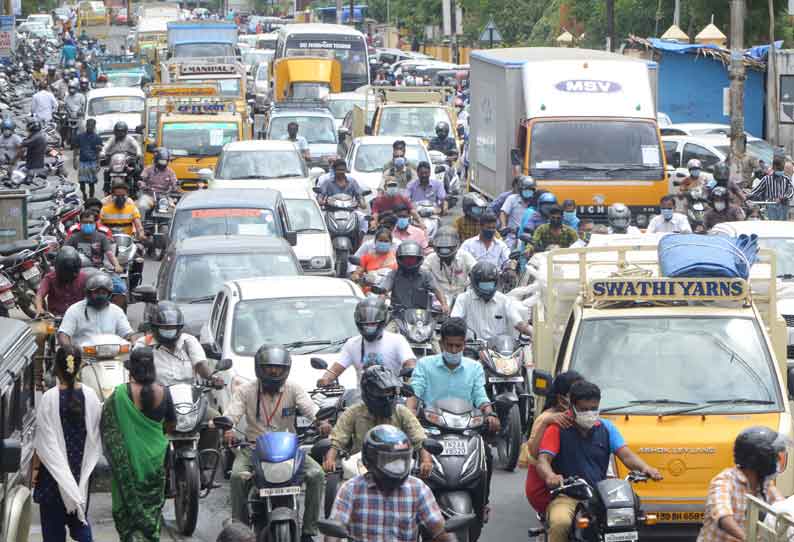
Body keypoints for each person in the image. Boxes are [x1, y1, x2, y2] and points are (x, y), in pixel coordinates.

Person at [407, 317, 500, 538]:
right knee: (410, 464)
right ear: (441, 343)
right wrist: (408, 416)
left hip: (466, 432)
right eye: (449, 345)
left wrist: (490, 413)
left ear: (464, 344)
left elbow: (480, 395)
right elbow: (414, 394)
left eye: (458, 346)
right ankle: (410, 511)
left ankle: (482, 504)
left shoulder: (474, 367)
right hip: (431, 431)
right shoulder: (425, 365)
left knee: (486, 455)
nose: (453, 349)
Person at [536, 381, 662, 542]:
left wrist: (646, 468)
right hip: (568, 495)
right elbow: (543, 460)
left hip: (601, 495)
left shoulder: (606, 427)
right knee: (560, 522)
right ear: (571, 407)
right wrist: (550, 476)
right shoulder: (557, 429)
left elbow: (626, 455)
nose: (590, 413)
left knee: (632, 519)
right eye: (584, 409)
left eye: (594, 409)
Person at [224, 345, 326, 541]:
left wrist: (321, 422)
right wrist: (228, 428)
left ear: (286, 369)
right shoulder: (246, 390)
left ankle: (308, 531)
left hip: (289, 450)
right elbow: (231, 415)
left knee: (316, 474)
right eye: (269, 368)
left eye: (278, 368)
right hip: (254, 448)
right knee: (237, 477)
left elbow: (311, 409)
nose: (273, 372)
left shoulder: (293, 388)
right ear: (259, 368)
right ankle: (240, 531)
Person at [101, 347, 175, 542]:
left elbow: (108, 429)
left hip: (127, 466)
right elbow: (170, 426)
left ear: (131, 368)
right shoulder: (164, 392)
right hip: (155, 462)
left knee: (126, 514)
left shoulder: (119, 395)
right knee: (152, 512)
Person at [331, 425, 455, 542]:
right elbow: (334, 530)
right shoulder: (351, 489)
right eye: (389, 461)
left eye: (402, 460)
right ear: (370, 459)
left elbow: (438, 528)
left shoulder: (418, 488)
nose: (397, 467)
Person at [32, 346, 102, 542]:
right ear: (80, 366)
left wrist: (35, 471)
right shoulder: (91, 397)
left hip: (52, 478)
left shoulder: (49, 398)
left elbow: (43, 442)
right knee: (80, 522)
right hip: (80, 477)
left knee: (53, 533)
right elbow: (96, 436)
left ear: (56, 368)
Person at [324, 365, 430, 476]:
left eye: (390, 391)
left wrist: (426, 461)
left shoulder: (401, 412)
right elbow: (337, 439)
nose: (387, 396)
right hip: (361, 466)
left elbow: (419, 439)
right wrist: (330, 460)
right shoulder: (354, 412)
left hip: (397, 465)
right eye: (382, 391)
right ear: (369, 392)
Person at [697, 427, 787, 542]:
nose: (776, 462)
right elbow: (722, 515)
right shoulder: (725, 480)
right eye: (775, 458)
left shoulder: (764, 485)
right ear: (761, 459)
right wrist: (748, 539)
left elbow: (783, 510)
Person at [317, 296, 415, 385]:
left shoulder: (397, 340)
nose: (369, 328)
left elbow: (410, 363)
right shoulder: (352, 344)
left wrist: (410, 372)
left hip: (393, 398)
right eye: (366, 325)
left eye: (373, 325)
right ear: (358, 324)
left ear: (383, 322)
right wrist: (324, 380)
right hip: (362, 399)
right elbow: (335, 370)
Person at [523, 371, 583, 514]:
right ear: (562, 399)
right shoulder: (550, 418)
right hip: (547, 487)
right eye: (576, 396)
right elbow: (535, 454)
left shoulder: (575, 417)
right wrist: (546, 422)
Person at [451, 261, 531, 339]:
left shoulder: (504, 300)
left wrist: (536, 335)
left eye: (490, 285)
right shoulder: (463, 299)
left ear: (496, 282)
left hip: (499, 349)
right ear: (474, 282)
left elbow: (519, 323)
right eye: (484, 285)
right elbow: (455, 322)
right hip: (472, 348)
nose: (487, 289)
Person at [57, 273, 135, 348]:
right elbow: (64, 334)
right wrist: (68, 347)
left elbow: (127, 333)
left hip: (111, 356)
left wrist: (134, 342)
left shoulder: (117, 311)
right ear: (89, 293)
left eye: (103, 293)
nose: (100, 296)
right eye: (97, 292)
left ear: (109, 294)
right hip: (83, 356)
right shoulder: (74, 310)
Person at [385, 240, 448, 315]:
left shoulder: (426, 275)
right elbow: (384, 289)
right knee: (389, 327)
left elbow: (437, 289)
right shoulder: (393, 274)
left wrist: (444, 304)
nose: (409, 261)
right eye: (406, 258)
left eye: (412, 258)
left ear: (419, 259)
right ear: (400, 258)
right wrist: (380, 301)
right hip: (397, 316)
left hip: (421, 316)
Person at [422, 227, 477, 302]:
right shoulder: (430, 259)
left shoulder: (465, 256)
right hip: (439, 299)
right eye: (441, 247)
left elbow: (476, 270)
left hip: (462, 297)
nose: (445, 250)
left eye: (448, 247)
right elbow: (422, 275)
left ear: (457, 245)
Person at [351, 226, 397, 292]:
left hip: (388, 293)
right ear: (375, 242)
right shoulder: (367, 257)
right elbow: (357, 274)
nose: (383, 243)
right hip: (369, 292)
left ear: (391, 243)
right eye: (380, 241)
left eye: (386, 241)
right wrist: (356, 277)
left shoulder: (396, 258)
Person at [748, 155, 794, 221]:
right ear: (774, 168)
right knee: (772, 225)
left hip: (783, 207)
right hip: (770, 207)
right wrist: (746, 196)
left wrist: (784, 198)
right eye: (779, 168)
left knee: (782, 226)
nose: (781, 170)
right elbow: (756, 191)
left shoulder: (786, 179)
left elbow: (791, 191)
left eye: (782, 168)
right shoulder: (766, 179)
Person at [101, 121, 142, 192]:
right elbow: (106, 145)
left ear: (125, 131)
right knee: (107, 171)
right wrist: (103, 152)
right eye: (118, 131)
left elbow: (136, 145)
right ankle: (106, 186)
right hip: (115, 159)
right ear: (115, 131)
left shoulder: (129, 138)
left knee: (137, 169)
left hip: (127, 158)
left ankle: (135, 187)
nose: (120, 133)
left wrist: (138, 152)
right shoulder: (113, 139)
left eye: (122, 131)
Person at [137, 148, 177, 215]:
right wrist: (142, 184)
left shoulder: (170, 172)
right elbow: (142, 179)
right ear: (156, 160)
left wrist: (175, 185)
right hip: (150, 195)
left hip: (164, 196)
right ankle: (141, 223)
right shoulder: (148, 169)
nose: (163, 163)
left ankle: (170, 224)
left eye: (165, 161)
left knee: (173, 209)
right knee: (142, 206)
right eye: (161, 161)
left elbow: (174, 183)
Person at [500, 176, 536, 247]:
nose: (528, 192)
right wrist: (503, 226)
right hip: (512, 237)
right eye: (526, 189)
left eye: (530, 190)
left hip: (529, 238)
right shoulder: (512, 199)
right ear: (520, 190)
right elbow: (503, 213)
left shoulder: (535, 202)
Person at [76, 118, 103, 199]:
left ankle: (91, 198)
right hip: (82, 162)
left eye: (92, 126)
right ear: (86, 126)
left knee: (91, 183)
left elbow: (98, 152)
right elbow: (76, 149)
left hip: (92, 162)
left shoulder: (97, 138)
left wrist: (98, 163)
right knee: (81, 182)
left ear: (94, 126)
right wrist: (75, 160)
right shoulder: (80, 136)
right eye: (88, 125)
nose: (90, 127)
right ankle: (84, 194)